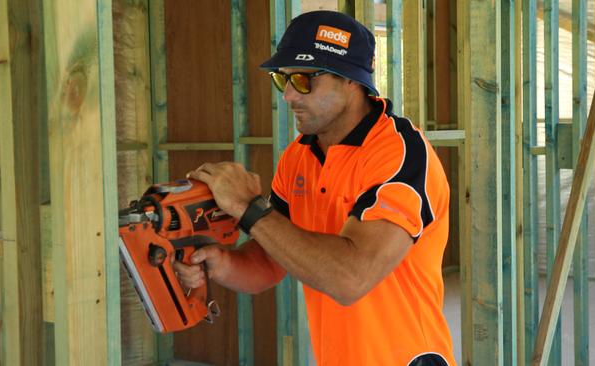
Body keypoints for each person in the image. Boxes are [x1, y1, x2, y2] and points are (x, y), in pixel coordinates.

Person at [174, 10, 455, 366]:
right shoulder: (298, 157)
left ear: (351, 81)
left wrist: (248, 207)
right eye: (283, 80)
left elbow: (350, 278)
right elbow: (267, 262)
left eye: (304, 80)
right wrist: (220, 262)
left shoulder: (401, 155)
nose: (289, 96)